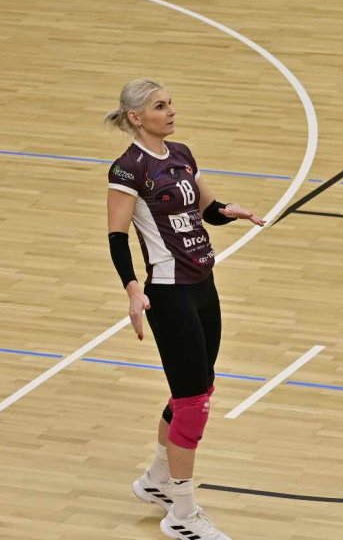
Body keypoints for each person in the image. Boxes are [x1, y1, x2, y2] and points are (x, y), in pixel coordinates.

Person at [104, 79, 265, 540]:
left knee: (196, 389)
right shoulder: (128, 170)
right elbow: (116, 236)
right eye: (160, 106)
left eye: (170, 103)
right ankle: (182, 513)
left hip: (203, 286)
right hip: (170, 294)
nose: (171, 111)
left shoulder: (181, 154)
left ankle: (157, 480)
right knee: (193, 404)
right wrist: (132, 288)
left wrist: (229, 211)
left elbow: (207, 208)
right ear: (136, 117)